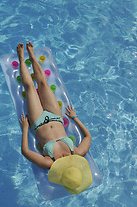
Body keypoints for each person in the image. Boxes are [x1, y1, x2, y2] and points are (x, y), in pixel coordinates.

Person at [17, 42, 92, 194]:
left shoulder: (49, 163)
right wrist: (75, 118)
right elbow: (88, 136)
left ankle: (21, 57)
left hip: (38, 122)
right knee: (43, 83)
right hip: (56, 117)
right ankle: (32, 55)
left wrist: (26, 128)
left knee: (30, 88)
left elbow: (25, 151)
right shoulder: (77, 153)